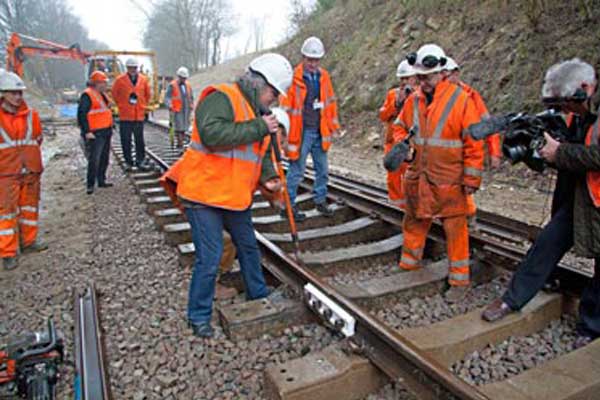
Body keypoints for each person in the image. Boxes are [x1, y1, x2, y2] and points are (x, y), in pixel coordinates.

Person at [482, 58, 600, 347]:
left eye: (566, 104)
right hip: (580, 199)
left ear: (585, 89)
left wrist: (559, 153)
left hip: (597, 200)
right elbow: (569, 149)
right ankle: (512, 300)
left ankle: (590, 327)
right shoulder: (577, 110)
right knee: (545, 246)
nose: (564, 111)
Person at [173, 53, 292, 338]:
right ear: (257, 83)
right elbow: (212, 134)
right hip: (204, 196)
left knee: (249, 247)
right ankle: (198, 316)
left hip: (232, 196)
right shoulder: (222, 97)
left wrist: (270, 180)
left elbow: (259, 155)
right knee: (210, 256)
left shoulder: (257, 114)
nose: (273, 100)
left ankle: (257, 295)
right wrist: (260, 127)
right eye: (272, 93)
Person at [393, 44, 484, 302]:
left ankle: (459, 281)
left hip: (449, 179)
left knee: (456, 230)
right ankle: (409, 265)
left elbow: (474, 142)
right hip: (419, 176)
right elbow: (399, 128)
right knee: (414, 220)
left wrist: (471, 178)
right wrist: (405, 148)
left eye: (428, 77)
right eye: (420, 77)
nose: (423, 82)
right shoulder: (414, 100)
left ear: (442, 72)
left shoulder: (460, 100)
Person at [281, 36, 341, 222]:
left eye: (316, 60)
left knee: (322, 170)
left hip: (320, 130)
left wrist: (334, 127)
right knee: (296, 170)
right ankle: (288, 206)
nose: (313, 64)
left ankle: (320, 201)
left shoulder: (324, 77)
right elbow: (285, 108)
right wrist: (284, 131)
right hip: (301, 132)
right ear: (303, 58)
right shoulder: (293, 78)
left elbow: (330, 103)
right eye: (310, 60)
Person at [444, 57, 502, 221]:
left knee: (463, 192)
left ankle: (467, 222)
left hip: (467, 152)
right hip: (446, 155)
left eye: (447, 76)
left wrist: (494, 153)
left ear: (456, 74)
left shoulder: (470, 95)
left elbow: (488, 125)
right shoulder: (438, 95)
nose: (446, 80)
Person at [0, 72, 47, 270]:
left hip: (30, 171)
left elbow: (37, 138)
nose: (18, 97)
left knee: (29, 208)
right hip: (6, 172)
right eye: (13, 93)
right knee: (6, 213)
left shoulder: (31, 115)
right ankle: (8, 252)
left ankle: (29, 242)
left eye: (19, 93)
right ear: (3, 94)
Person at [380, 60, 417, 209]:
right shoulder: (392, 94)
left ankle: (411, 205)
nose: (404, 82)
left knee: (411, 176)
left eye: (407, 78)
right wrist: (395, 104)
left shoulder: (419, 96)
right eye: (402, 79)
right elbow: (383, 115)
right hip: (392, 142)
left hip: (410, 143)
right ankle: (396, 206)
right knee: (393, 176)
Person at [77, 71, 114, 194]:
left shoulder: (101, 94)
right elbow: (82, 115)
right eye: (103, 82)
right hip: (95, 133)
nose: (105, 85)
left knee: (104, 158)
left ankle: (101, 180)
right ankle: (90, 184)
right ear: (97, 83)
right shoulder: (87, 95)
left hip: (105, 131)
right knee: (94, 159)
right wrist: (87, 131)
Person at [112, 58, 152, 171]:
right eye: (130, 68)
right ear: (127, 68)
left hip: (138, 115)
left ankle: (140, 160)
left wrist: (142, 105)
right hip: (125, 116)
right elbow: (115, 94)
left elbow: (147, 94)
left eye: (134, 68)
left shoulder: (143, 80)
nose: (133, 70)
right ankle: (128, 162)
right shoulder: (120, 80)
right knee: (126, 139)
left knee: (140, 140)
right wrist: (122, 105)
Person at [165, 66, 194, 149]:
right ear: (179, 77)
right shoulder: (172, 85)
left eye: (185, 78)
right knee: (179, 128)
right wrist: (169, 105)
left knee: (184, 128)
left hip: (186, 110)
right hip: (177, 110)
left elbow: (191, 97)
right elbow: (167, 97)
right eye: (182, 78)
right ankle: (180, 144)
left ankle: (180, 143)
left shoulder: (188, 85)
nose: (184, 80)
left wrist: (191, 105)